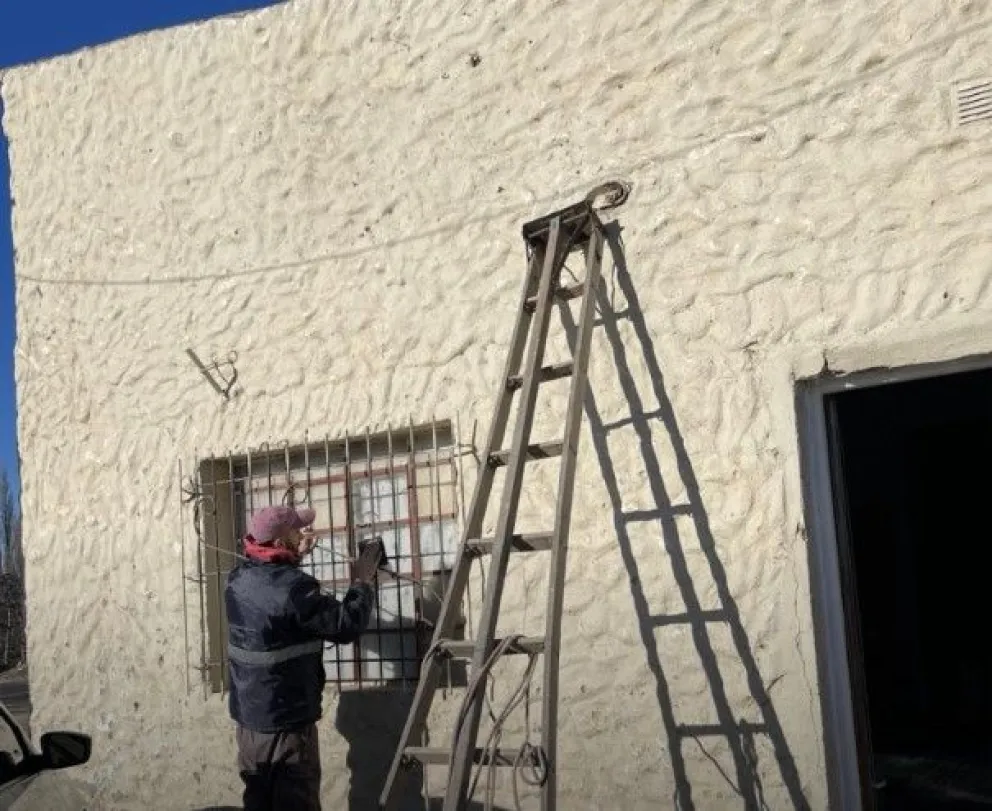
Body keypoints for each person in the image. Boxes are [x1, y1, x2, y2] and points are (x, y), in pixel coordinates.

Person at [225, 504, 379, 811]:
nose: (303, 534)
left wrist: (295, 555)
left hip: (249, 725)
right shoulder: (295, 589)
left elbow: (273, 592)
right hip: (287, 727)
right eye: (297, 531)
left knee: (259, 803)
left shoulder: (236, 580)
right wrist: (361, 582)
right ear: (281, 543)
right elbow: (344, 625)